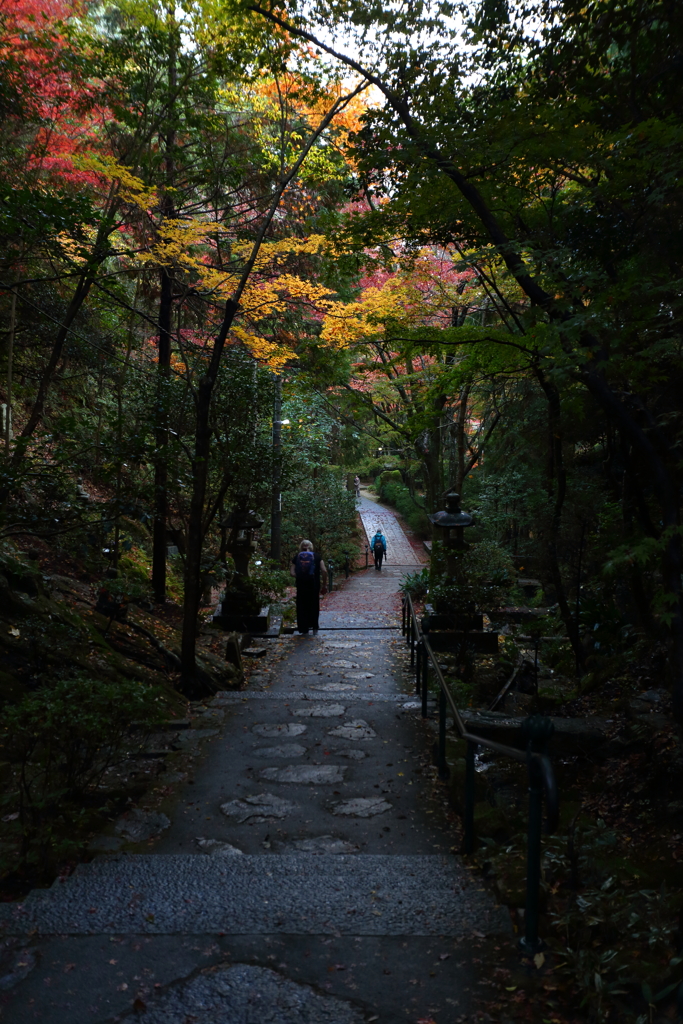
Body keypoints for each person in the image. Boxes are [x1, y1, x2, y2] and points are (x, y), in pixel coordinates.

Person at [291, 539, 328, 634]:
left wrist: (300, 576)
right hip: (314, 584)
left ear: (301, 547)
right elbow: (324, 571)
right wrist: (324, 585)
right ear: (311, 547)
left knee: (302, 605)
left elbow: (292, 572)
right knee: (314, 604)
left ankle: (304, 628)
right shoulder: (316, 556)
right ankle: (315, 627)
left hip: (301, 585)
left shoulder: (297, 557)